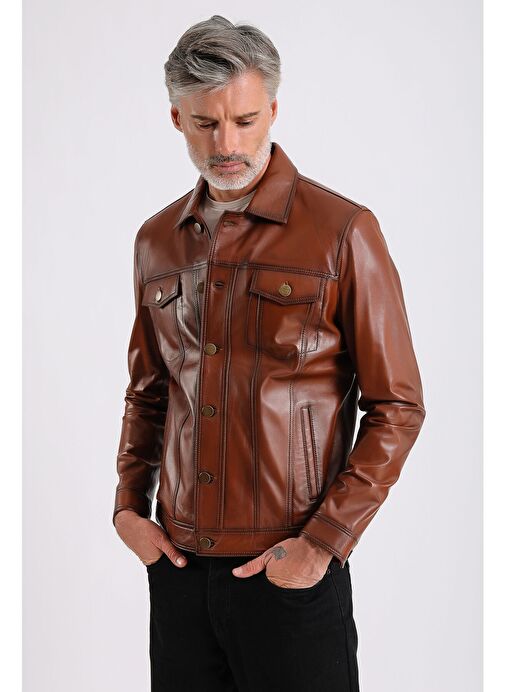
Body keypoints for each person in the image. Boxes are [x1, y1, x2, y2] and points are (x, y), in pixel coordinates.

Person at [112, 14, 426, 692]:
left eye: (244, 120)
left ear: (273, 111)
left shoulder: (342, 231)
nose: (226, 143)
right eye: (205, 123)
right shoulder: (156, 241)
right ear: (176, 118)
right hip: (178, 570)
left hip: (290, 572)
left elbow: (397, 406)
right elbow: (149, 390)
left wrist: (324, 542)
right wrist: (128, 509)